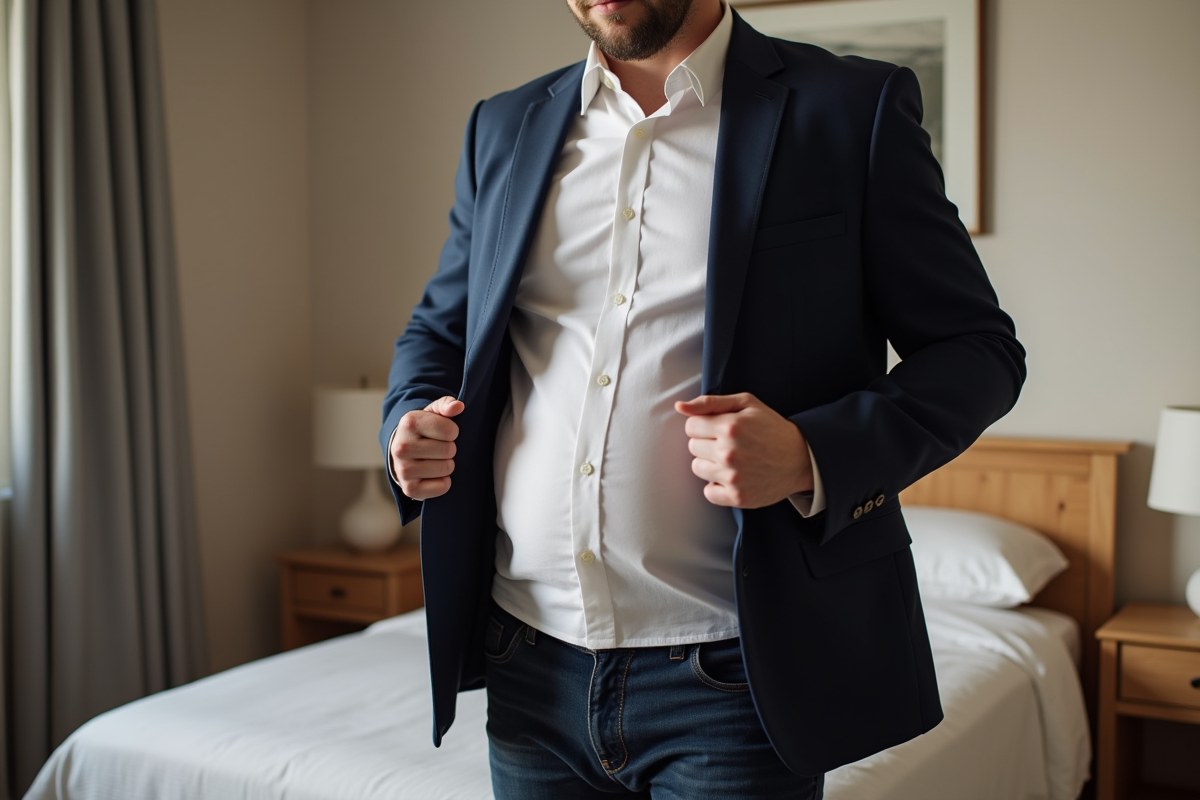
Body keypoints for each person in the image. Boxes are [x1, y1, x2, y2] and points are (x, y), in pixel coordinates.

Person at [381, 0, 1025, 797]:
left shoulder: (850, 109)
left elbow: (979, 351)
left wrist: (811, 454)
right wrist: (407, 421)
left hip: (732, 676)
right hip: (526, 661)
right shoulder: (504, 125)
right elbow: (441, 330)